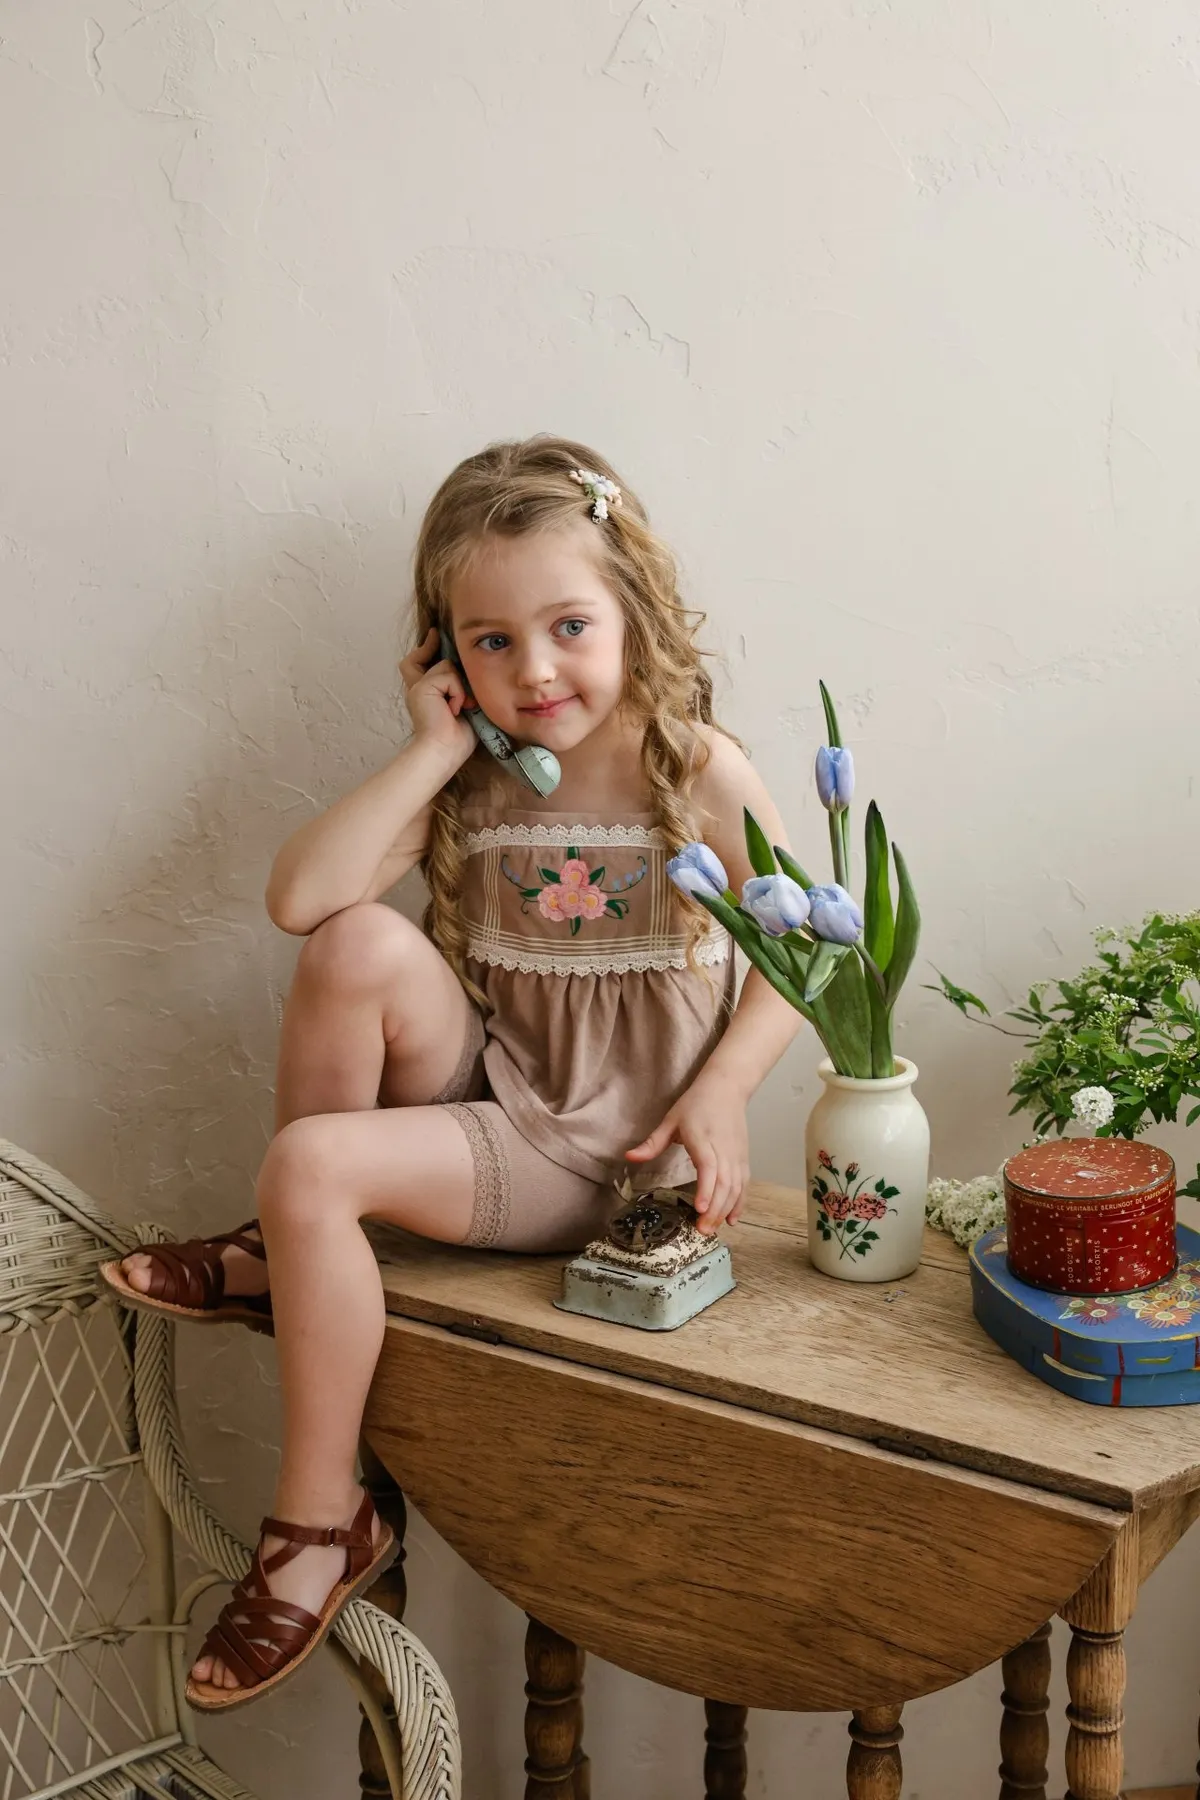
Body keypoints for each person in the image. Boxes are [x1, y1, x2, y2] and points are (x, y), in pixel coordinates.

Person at [102, 435, 801, 1711]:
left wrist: (723, 1089)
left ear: (633, 613)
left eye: (569, 626)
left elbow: (803, 952)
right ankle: (289, 1258)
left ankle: (317, 1525)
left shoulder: (692, 771)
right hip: (495, 1099)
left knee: (310, 1165)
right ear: (443, 653)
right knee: (354, 943)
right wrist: (432, 751)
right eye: (490, 641)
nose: (534, 670)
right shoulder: (474, 779)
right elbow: (300, 900)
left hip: (600, 1163)